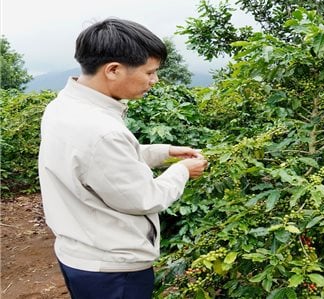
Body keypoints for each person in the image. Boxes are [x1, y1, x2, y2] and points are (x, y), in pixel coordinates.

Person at [38, 18, 209, 299]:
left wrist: (164, 153)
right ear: (113, 70)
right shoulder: (101, 131)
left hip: (79, 252)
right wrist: (183, 171)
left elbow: (93, 161)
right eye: (150, 72)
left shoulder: (64, 107)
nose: (154, 81)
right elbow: (145, 198)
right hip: (113, 269)